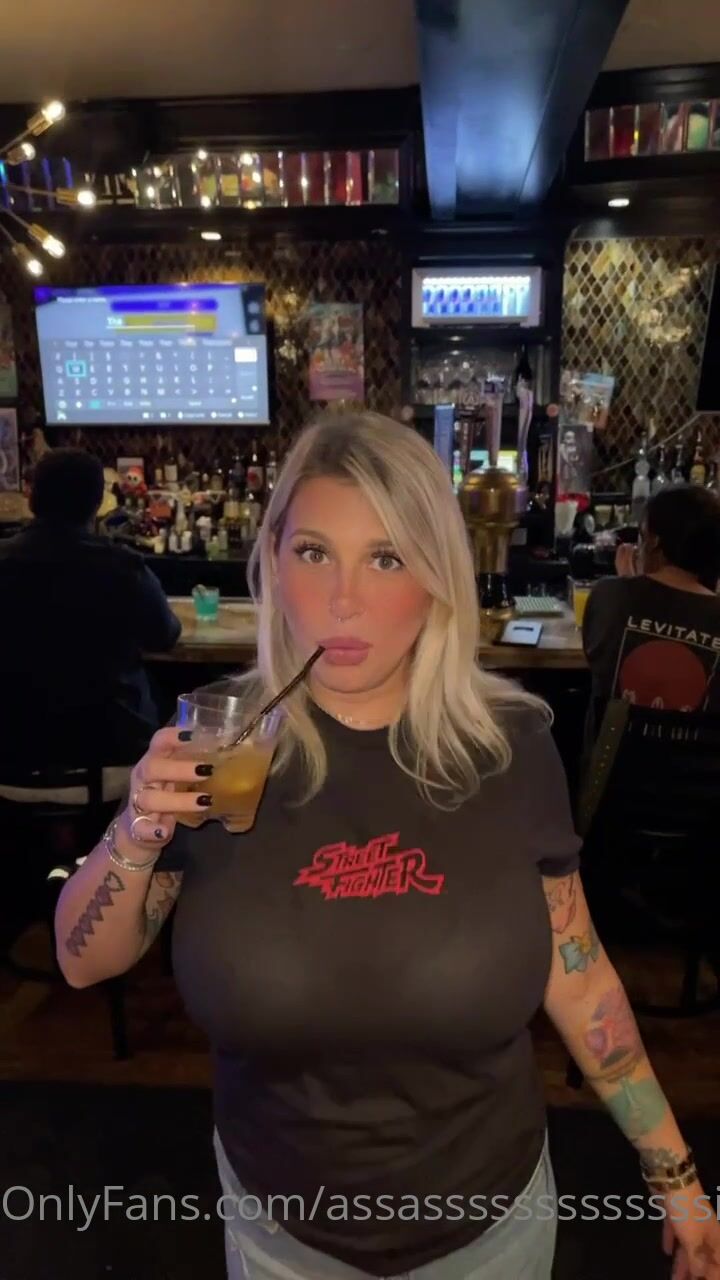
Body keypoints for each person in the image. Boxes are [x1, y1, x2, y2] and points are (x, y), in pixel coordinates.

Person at [55, 415, 720, 1280]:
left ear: (438, 577)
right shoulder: (215, 744)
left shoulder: (512, 747)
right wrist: (138, 828)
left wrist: (675, 1172)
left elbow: (578, 970)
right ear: (273, 561)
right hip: (280, 1236)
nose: (343, 600)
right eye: (314, 552)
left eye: (387, 558)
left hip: (491, 1233)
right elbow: (83, 962)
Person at [0, 447, 180, 787]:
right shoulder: (123, 568)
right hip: (113, 764)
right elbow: (166, 635)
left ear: (31, 497)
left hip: (10, 766)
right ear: (98, 503)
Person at [583, 484, 720, 741]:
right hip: (700, 768)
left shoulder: (609, 595)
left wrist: (627, 584)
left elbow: (599, 655)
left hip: (610, 766)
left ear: (654, 540)